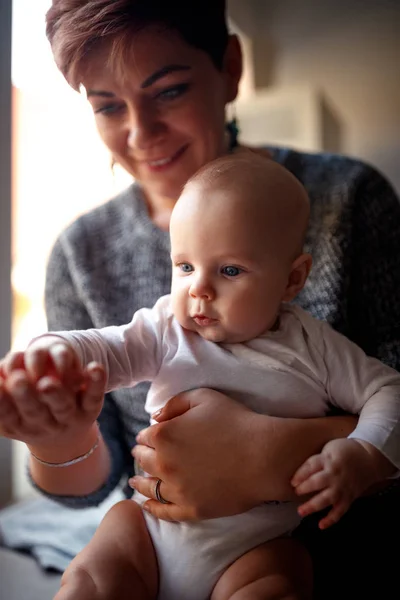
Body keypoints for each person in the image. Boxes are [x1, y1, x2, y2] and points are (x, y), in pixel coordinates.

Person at [0, 1, 400, 599]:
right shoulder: (91, 260)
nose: (139, 132)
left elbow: (389, 389)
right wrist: (52, 413)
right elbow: (102, 383)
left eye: (169, 90)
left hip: (274, 550)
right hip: (151, 534)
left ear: (230, 67)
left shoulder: (348, 202)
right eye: (107, 104)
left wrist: (273, 456)